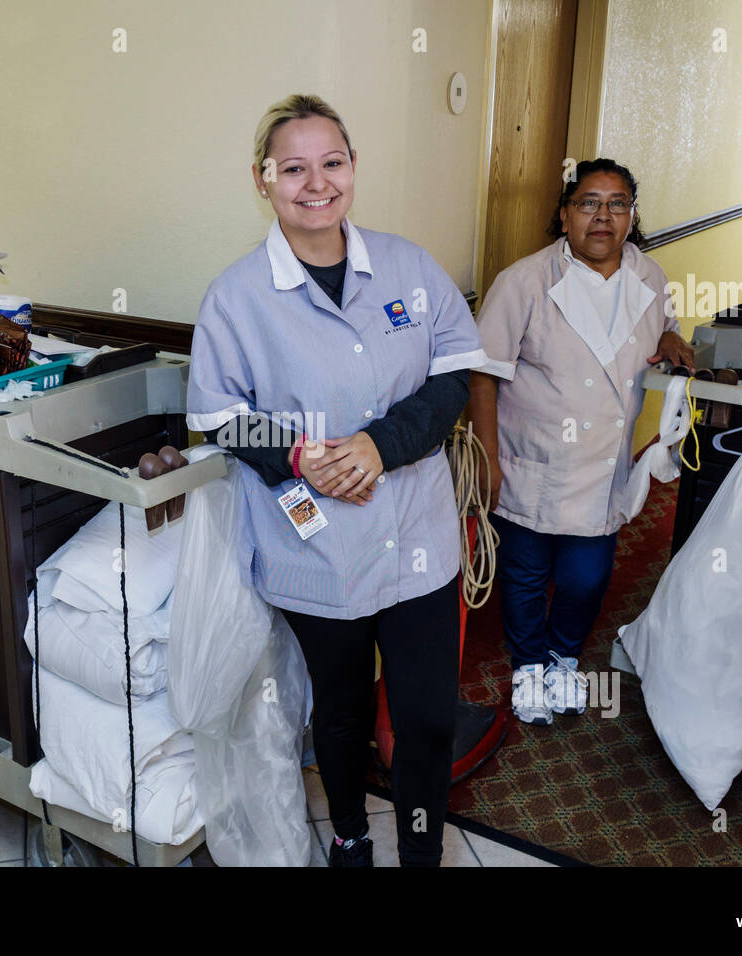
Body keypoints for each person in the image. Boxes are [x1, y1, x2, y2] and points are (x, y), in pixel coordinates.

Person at [186, 94, 487, 866]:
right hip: (315, 544)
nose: (315, 183)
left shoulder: (408, 267)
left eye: (332, 163)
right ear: (263, 179)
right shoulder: (236, 297)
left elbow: (455, 369)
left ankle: (420, 851)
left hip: (415, 532)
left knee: (423, 716)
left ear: (353, 168)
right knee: (343, 709)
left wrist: (383, 446)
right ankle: (350, 835)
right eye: (294, 168)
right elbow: (220, 415)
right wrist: (298, 456)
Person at [466, 158, 693, 727]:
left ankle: (563, 657)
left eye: (617, 204)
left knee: (587, 576)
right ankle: (527, 666)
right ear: (565, 214)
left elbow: (661, 322)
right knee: (525, 571)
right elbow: (483, 373)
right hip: (531, 458)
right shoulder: (524, 281)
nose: (603, 216)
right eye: (589, 202)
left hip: (601, 466)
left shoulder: (650, 276)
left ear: (632, 217)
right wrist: (488, 456)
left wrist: (669, 335)